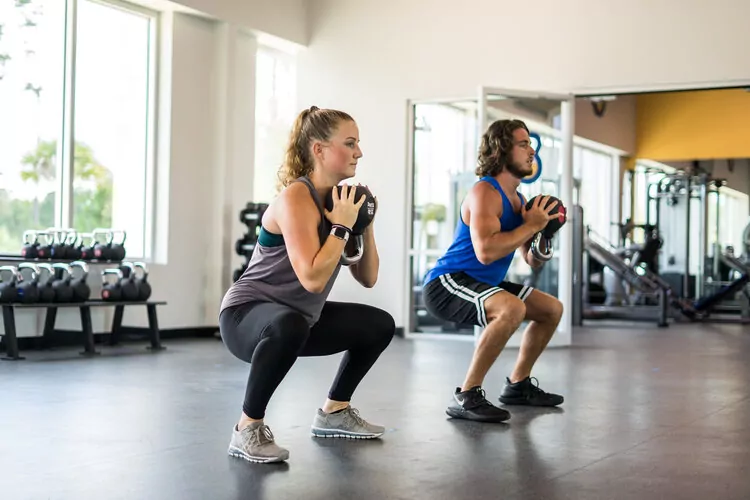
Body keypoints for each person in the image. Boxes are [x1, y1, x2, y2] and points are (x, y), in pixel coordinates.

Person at [219, 106, 396, 464]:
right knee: (289, 323)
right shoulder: (297, 198)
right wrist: (341, 227)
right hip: (246, 317)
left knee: (379, 325)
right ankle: (246, 428)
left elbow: (368, 278)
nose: (359, 152)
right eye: (349, 143)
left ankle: (335, 411)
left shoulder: (341, 201)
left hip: (299, 319)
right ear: (319, 149)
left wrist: (365, 222)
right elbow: (313, 279)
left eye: (358, 143)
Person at [422, 118, 565, 424]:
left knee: (551, 309)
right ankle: (467, 395)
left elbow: (531, 260)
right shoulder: (485, 192)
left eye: (532, 145)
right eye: (523, 144)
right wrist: (531, 225)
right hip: (447, 282)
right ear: (502, 149)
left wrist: (545, 234)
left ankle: (518, 385)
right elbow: (485, 252)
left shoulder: (521, 201)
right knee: (511, 308)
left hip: (483, 282)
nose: (531, 152)